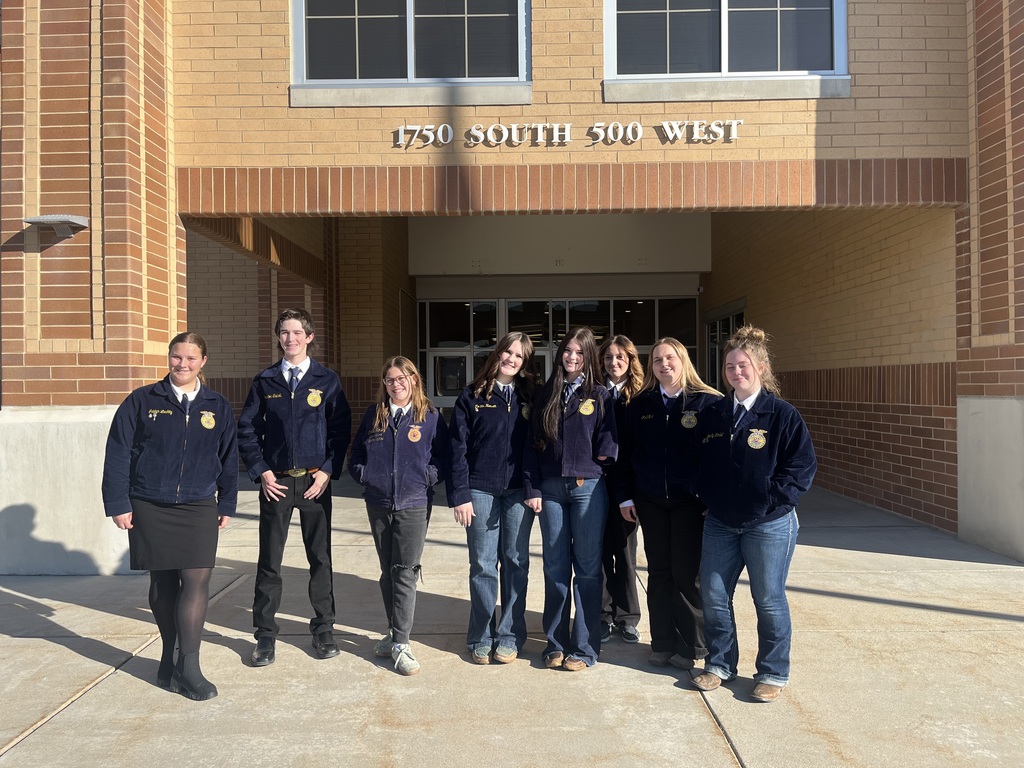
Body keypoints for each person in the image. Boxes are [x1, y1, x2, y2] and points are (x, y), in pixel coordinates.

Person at [102, 332, 238, 701]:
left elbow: (228, 457)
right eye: (177, 357)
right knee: (163, 584)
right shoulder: (143, 400)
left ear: (203, 362)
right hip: (149, 502)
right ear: (169, 358)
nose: (182, 364)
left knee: (196, 580)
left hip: (197, 504)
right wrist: (117, 501)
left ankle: (189, 667)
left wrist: (226, 502)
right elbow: (118, 452)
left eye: (191, 359)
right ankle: (168, 656)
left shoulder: (217, 405)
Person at [690, 326, 816, 703]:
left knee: (768, 597)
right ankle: (719, 664)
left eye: (743, 365)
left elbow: (801, 468)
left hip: (768, 524)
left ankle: (773, 672)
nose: (736, 372)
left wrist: (769, 499)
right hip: (721, 522)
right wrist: (706, 492)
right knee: (713, 594)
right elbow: (697, 461)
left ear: (760, 368)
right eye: (729, 366)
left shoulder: (781, 415)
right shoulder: (714, 413)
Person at [238, 308, 351, 667]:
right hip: (278, 484)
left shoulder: (326, 380)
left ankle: (324, 629)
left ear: (310, 336)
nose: (291, 339)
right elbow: (247, 431)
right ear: (279, 337)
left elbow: (340, 431)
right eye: (284, 332)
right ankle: (265, 637)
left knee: (320, 559)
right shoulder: (265, 380)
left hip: (315, 483)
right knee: (270, 561)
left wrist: (327, 472)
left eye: (297, 332)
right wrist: (262, 472)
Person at [613, 337, 722, 671]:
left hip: (690, 504)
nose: (664, 365)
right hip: (650, 502)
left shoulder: (706, 403)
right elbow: (624, 456)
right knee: (659, 573)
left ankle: (693, 648)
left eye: (670, 358)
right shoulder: (641, 405)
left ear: (683, 360)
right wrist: (626, 496)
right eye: (657, 360)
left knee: (687, 575)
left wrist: (711, 498)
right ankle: (661, 643)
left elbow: (718, 456)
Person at [349, 356, 450, 676]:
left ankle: (402, 643)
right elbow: (356, 456)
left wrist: (426, 478)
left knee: (405, 571)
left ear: (414, 380)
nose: (396, 384)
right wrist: (366, 476)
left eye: (401, 378)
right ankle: (394, 632)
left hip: (414, 503)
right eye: (390, 380)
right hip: (378, 502)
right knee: (387, 571)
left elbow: (443, 458)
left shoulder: (430, 416)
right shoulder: (374, 415)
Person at [524, 327, 617, 671]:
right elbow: (532, 443)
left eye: (579, 352)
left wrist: (594, 463)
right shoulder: (547, 392)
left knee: (588, 570)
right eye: (567, 351)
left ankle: (585, 647)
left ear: (589, 356)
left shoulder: (599, 394)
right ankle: (556, 643)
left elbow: (610, 440)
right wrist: (532, 487)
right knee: (555, 568)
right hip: (550, 491)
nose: (572, 357)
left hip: (587, 490)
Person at [449, 332, 538, 665]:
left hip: (518, 492)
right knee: (483, 565)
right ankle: (481, 635)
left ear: (525, 363)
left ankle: (510, 635)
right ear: (497, 354)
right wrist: (460, 494)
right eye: (508, 353)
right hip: (479, 489)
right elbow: (456, 449)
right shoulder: (471, 396)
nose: (512, 360)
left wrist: (534, 490)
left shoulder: (531, 397)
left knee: (516, 563)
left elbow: (538, 447)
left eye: (519, 356)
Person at [598, 335, 645, 645]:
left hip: (628, 489)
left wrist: (630, 493)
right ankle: (601, 616)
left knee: (625, 554)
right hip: (596, 488)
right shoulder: (595, 394)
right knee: (598, 554)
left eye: (619, 358)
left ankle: (627, 617)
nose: (613, 363)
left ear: (630, 361)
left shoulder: (641, 397)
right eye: (608, 358)